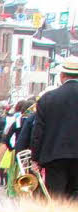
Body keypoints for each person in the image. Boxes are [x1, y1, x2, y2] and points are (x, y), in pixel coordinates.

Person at [32, 56, 78, 199]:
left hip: (54, 157)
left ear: (62, 75)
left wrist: (35, 158)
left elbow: (38, 132)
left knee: (56, 199)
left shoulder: (47, 98)